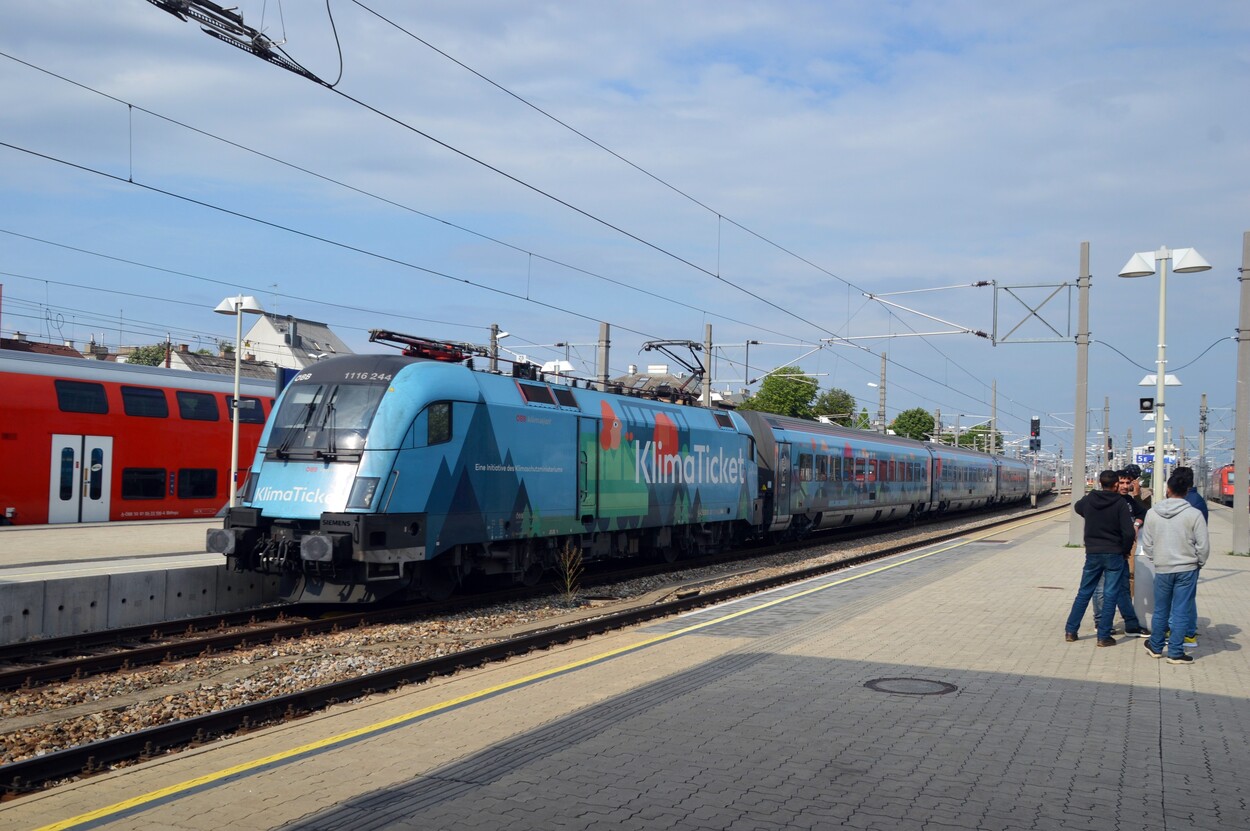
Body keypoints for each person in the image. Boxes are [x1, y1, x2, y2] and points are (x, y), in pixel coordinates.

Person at [1141, 468, 1209, 664]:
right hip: (1187, 569)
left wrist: (1157, 559)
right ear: (1187, 491)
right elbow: (1203, 545)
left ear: (1167, 489)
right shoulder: (1194, 514)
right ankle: (1175, 652)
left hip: (1163, 568)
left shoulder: (1152, 513)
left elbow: (1147, 544)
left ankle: (1155, 646)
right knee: (1180, 610)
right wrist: (1199, 562)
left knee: (1161, 609)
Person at [1065, 469, 1135, 646]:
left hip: (1093, 553)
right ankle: (1103, 637)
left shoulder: (1090, 500)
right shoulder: (1120, 503)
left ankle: (1071, 631)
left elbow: (1077, 507)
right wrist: (1125, 551)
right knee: (1110, 593)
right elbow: (1128, 532)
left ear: (1099, 483)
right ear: (1116, 485)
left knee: (1084, 592)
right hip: (1114, 553)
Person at [1172, 466, 1206, 647]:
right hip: (1186, 556)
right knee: (1185, 597)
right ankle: (1184, 630)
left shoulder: (1190, 502)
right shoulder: (1196, 499)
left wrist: (1199, 559)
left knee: (1186, 598)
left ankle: (1188, 632)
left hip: (1185, 557)